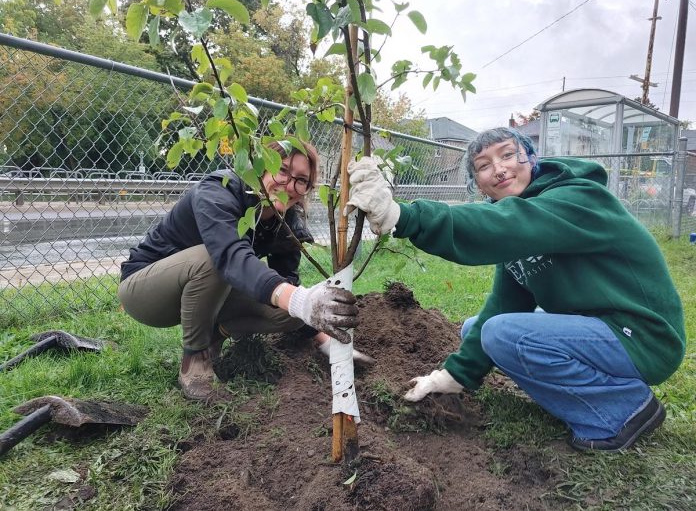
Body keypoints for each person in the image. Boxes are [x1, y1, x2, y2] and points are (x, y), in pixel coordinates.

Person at [346, 127, 685, 452]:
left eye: (508, 155)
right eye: (483, 166)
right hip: (602, 330)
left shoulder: (578, 196)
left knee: (502, 334)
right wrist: (451, 376)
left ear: (532, 158)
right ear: (477, 184)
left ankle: (621, 412)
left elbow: (507, 223)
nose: (499, 169)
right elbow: (505, 303)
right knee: (478, 328)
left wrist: (403, 216)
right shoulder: (520, 228)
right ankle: (610, 391)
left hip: (643, 337)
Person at [119, 141, 368, 401]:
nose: (289, 184)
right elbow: (229, 256)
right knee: (212, 258)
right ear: (261, 167)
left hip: (207, 293)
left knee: (291, 312)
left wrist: (325, 340)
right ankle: (194, 360)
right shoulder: (220, 189)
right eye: (282, 170)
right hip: (147, 291)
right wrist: (298, 299)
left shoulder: (287, 222)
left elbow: (286, 283)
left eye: (301, 180)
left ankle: (218, 333)